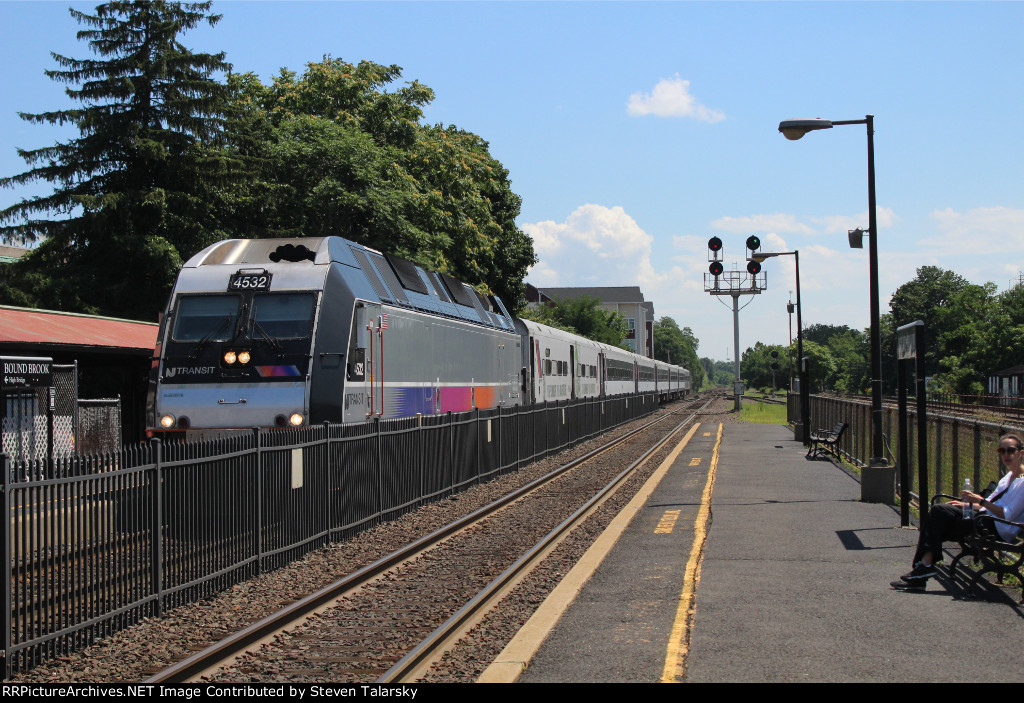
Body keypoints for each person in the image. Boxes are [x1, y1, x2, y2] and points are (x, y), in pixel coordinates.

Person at [891, 431, 1024, 590]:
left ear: (1021, 453)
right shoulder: (1007, 477)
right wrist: (966, 505)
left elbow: (1006, 514)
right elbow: (987, 504)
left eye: (1010, 450)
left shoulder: (1022, 482)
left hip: (998, 527)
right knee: (940, 513)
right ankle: (923, 568)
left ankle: (923, 569)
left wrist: (979, 501)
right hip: (986, 520)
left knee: (939, 516)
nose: (1006, 455)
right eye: (1002, 451)